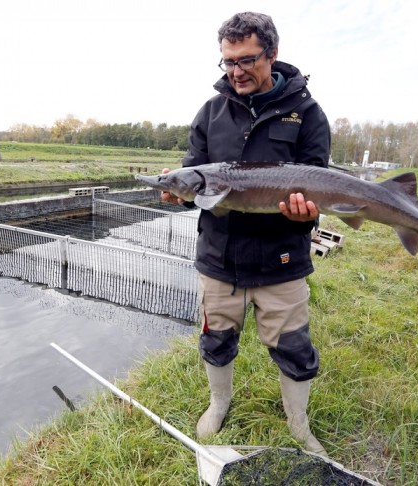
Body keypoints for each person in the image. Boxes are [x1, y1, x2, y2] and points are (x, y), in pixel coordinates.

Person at [162, 12, 331, 456]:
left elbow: (320, 184)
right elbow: (192, 172)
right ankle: (219, 404)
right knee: (216, 339)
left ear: (272, 55)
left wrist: (305, 216)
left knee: (294, 347)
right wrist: (176, 190)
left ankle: (299, 423)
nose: (235, 71)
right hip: (220, 259)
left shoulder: (307, 113)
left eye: (246, 60)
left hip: (282, 261)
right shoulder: (210, 112)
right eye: (227, 61)